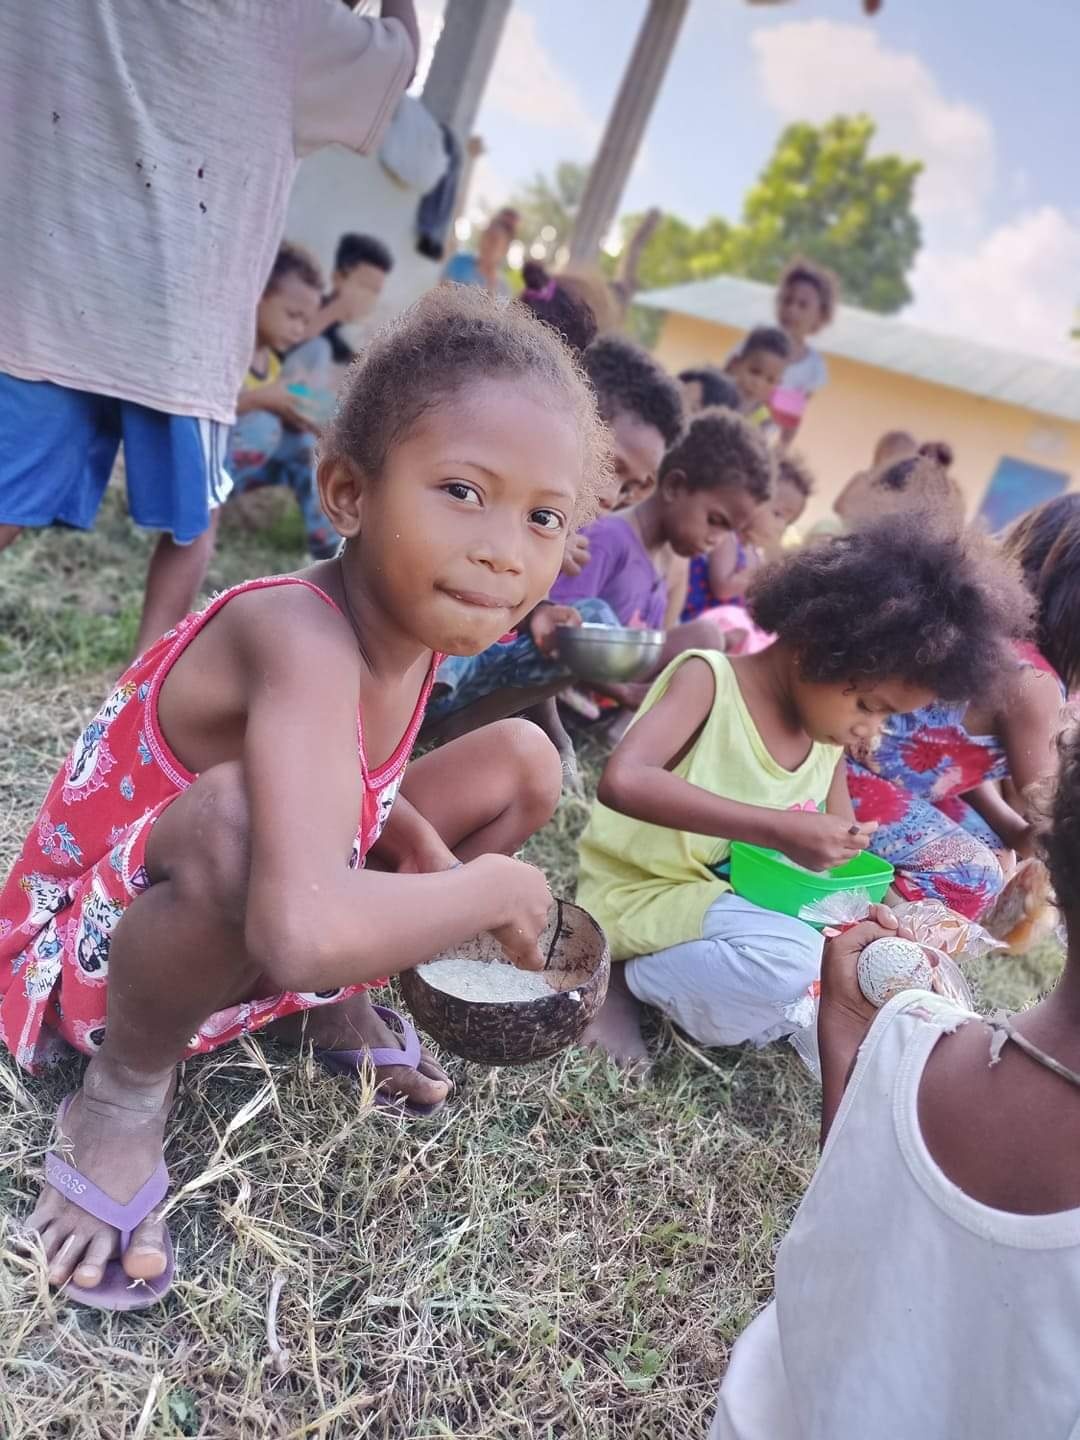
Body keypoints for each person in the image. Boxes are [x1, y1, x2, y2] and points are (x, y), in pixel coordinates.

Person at [0, 285, 611, 1311]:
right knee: (243, 823)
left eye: (542, 517)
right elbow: (298, 924)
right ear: (348, 493)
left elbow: (350, 792)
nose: (506, 549)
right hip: (89, 951)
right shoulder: (296, 632)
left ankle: (327, 1007)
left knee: (523, 762)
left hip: (270, 905)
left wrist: (422, 850)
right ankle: (122, 1094)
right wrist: (494, 889)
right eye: (463, 491)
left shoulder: (412, 633)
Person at [0, 0, 418, 659]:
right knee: (194, 526)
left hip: (44, 297)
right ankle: (140, 679)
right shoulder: (291, 21)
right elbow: (398, 57)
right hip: (181, 333)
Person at [711, 726, 1080, 1440]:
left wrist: (853, 1036)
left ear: (1058, 865)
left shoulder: (911, 1041)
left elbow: (845, 1235)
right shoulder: (910, 1034)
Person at [577, 516, 1030, 1068]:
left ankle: (712, 985)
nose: (870, 729)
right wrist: (778, 829)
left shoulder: (826, 741)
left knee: (850, 973)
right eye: (869, 706)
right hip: (642, 893)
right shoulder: (709, 680)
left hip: (726, 905)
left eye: (886, 717)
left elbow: (841, 864)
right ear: (817, 646)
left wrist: (882, 915)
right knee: (792, 967)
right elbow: (624, 780)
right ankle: (624, 976)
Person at [427, 409, 771, 740]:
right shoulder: (607, 539)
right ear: (674, 486)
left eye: (730, 533)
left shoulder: (668, 565)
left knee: (707, 639)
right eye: (715, 521)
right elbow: (554, 636)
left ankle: (628, 732)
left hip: (594, 695)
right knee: (599, 618)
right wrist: (619, 695)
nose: (716, 541)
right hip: (545, 688)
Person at [848, 492, 1078, 921]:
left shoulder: (1002, 643)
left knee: (995, 855)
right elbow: (1051, 816)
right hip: (848, 776)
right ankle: (854, 913)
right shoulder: (1035, 682)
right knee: (974, 877)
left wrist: (1005, 826)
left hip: (892, 780)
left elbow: (958, 760)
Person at [225, 244, 340, 559]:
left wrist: (298, 417)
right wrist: (264, 400)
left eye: (306, 320)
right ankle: (201, 509)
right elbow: (204, 412)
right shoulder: (230, 353)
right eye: (292, 315)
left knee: (308, 446)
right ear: (258, 295)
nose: (299, 329)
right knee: (264, 425)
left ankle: (329, 547)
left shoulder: (272, 364)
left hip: (251, 468)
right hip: (209, 469)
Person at [679, 452, 815, 641]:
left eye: (788, 522)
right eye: (778, 514)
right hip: (699, 623)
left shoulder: (754, 552)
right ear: (753, 500)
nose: (781, 526)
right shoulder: (728, 539)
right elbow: (722, 588)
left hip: (726, 627)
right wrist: (759, 573)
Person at [770, 256, 838, 445]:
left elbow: (791, 417)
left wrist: (781, 450)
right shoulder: (758, 342)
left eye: (803, 305)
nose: (792, 310)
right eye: (787, 300)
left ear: (820, 316)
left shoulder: (813, 367)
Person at [726, 327, 792, 431]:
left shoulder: (762, 416)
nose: (758, 384)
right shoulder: (715, 392)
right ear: (736, 364)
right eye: (754, 372)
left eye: (770, 380)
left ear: (778, 384)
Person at [442, 208, 519, 296]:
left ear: (505, 249)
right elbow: (440, 295)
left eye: (493, 241)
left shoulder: (503, 289)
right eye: (485, 236)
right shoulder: (459, 262)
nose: (486, 244)